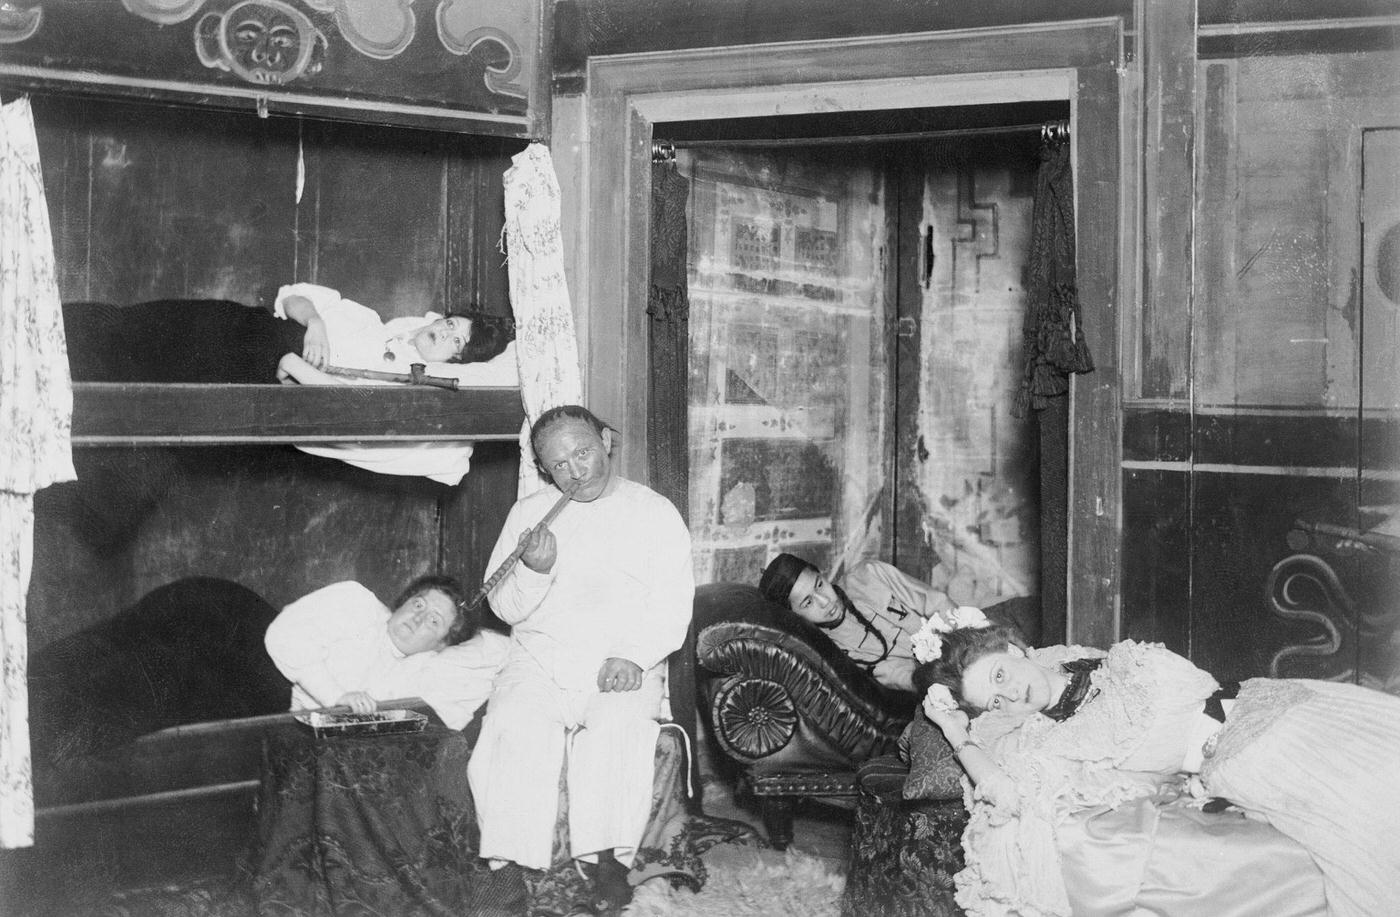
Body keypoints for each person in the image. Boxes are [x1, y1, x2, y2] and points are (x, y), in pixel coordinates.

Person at [914, 624, 1400, 917]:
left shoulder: (1081, 660)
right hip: (1251, 757)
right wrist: (956, 730)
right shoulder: (1050, 741)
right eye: (996, 700)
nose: (1012, 694)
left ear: (1017, 651)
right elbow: (1005, 792)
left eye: (1001, 675)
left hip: (1274, 698)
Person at [466, 405, 694, 911]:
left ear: (607, 441)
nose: (576, 471)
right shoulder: (529, 514)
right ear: (546, 470)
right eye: (559, 464)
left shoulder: (654, 512)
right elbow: (504, 607)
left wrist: (634, 656)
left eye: (583, 452)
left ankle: (608, 864)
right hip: (540, 660)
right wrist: (535, 571)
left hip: (619, 662)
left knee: (616, 729)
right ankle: (504, 865)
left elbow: (673, 604)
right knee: (511, 724)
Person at [264, 574, 509, 730]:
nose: (418, 617)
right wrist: (336, 696)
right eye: (418, 604)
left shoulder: (425, 669)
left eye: (434, 621)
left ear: (441, 644)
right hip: (261, 686)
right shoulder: (357, 604)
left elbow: (499, 648)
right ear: (404, 601)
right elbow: (282, 635)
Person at [758, 552, 1004, 691]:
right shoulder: (833, 653)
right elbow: (904, 678)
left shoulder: (868, 575)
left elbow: (935, 602)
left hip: (965, 635)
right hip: (942, 682)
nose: (825, 601)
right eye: (807, 603)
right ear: (795, 615)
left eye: (819, 585)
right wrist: (952, 678)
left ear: (822, 574)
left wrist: (970, 643)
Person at [272, 282, 509, 385]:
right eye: (449, 324)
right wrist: (314, 322)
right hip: (258, 325)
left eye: (457, 341)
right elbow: (291, 296)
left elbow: (342, 402)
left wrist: (293, 365)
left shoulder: (400, 377)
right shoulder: (370, 320)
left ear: (456, 359)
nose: (445, 334)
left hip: (268, 367)